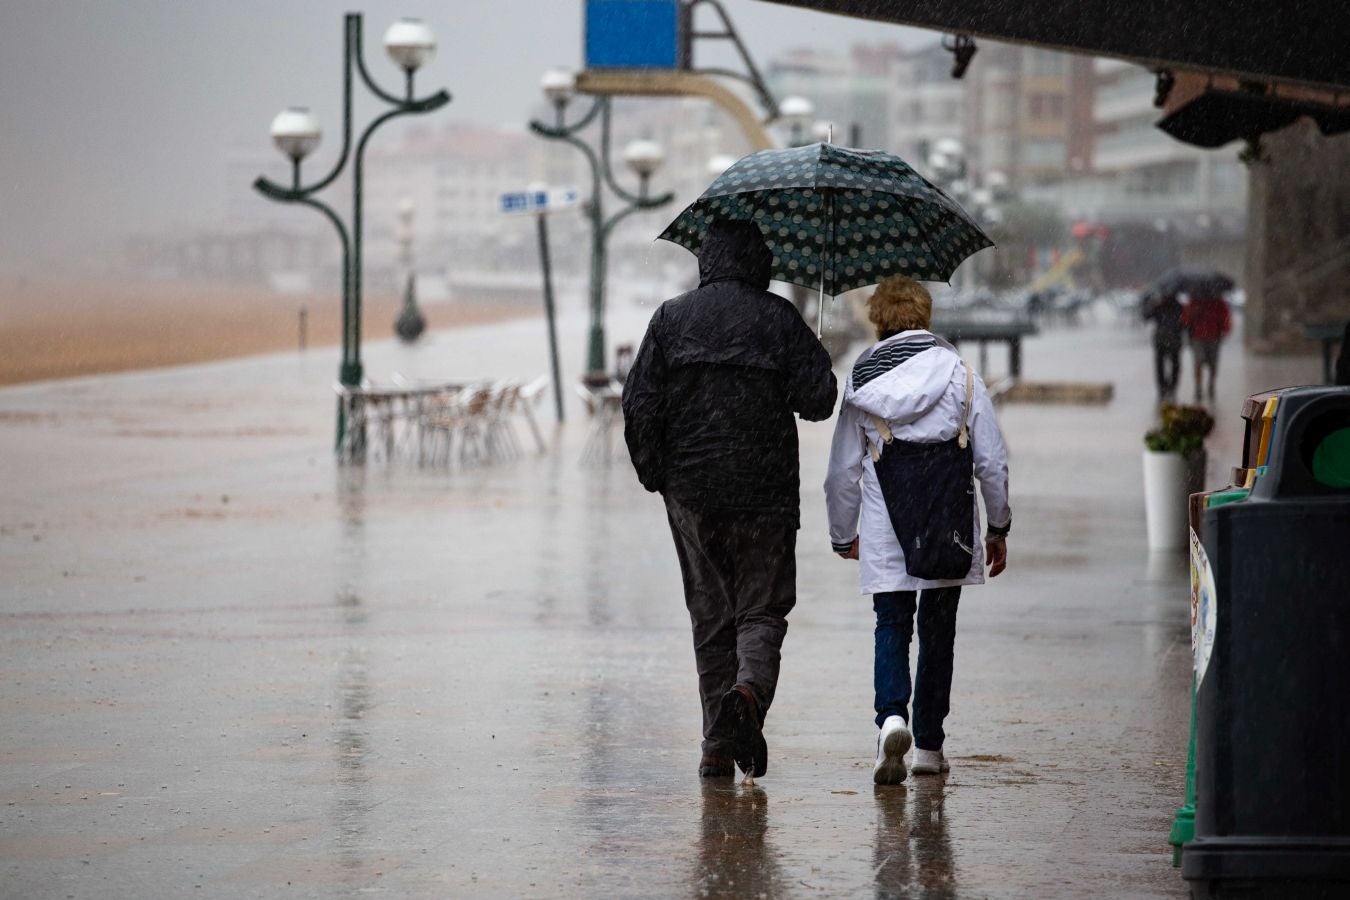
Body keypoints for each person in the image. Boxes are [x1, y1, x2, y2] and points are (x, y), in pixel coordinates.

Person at [623, 219, 837, 780]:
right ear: (760, 263)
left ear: (707, 260)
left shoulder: (671, 319)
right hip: (764, 493)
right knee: (761, 609)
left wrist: (657, 476)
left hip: (692, 493)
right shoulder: (780, 318)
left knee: (711, 616)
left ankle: (717, 748)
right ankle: (746, 697)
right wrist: (808, 357)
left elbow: (639, 403)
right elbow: (819, 401)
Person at [823, 275, 1010, 785]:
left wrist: (844, 534)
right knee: (938, 632)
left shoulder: (862, 381)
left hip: (888, 533)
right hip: (949, 526)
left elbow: (842, 472)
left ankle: (890, 719)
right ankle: (928, 746)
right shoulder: (962, 376)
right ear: (926, 319)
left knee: (892, 624)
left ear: (878, 321)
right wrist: (998, 526)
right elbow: (990, 462)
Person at [1181, 292, 1232, 403]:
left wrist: (1226, 329)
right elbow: (1185, 319)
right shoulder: (1194, 301)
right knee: (1198, 362)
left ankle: (1211, 385)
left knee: (1213, 364)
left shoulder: (1218, 301)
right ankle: (1198, 387)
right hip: (1197, 337)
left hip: (1214, 336)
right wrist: (1194, 312)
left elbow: (1225, 316)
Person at [1142, 289, 1184, 403]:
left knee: (1172, 364)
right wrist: (1152, 304)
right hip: (1163, 339)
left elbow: (1184, 322)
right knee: (1163, 364)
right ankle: (1165, 387)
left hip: (1171, 339)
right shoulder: (1161, 305)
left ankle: (1169, 387)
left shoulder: (1178, 306)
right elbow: (1146, 316)